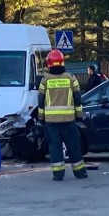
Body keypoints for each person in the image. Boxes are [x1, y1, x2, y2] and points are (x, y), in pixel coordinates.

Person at [38, 49, 88, 181]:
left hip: (51, 121)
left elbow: (41, 101)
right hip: (68, 120)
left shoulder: (45, 80)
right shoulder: (71, 78)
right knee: (73, 145)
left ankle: (58, 174)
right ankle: (80, 172)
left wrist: (41, 118)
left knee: (55, 147)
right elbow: (78, 99)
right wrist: (79, 116)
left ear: (49, 63)